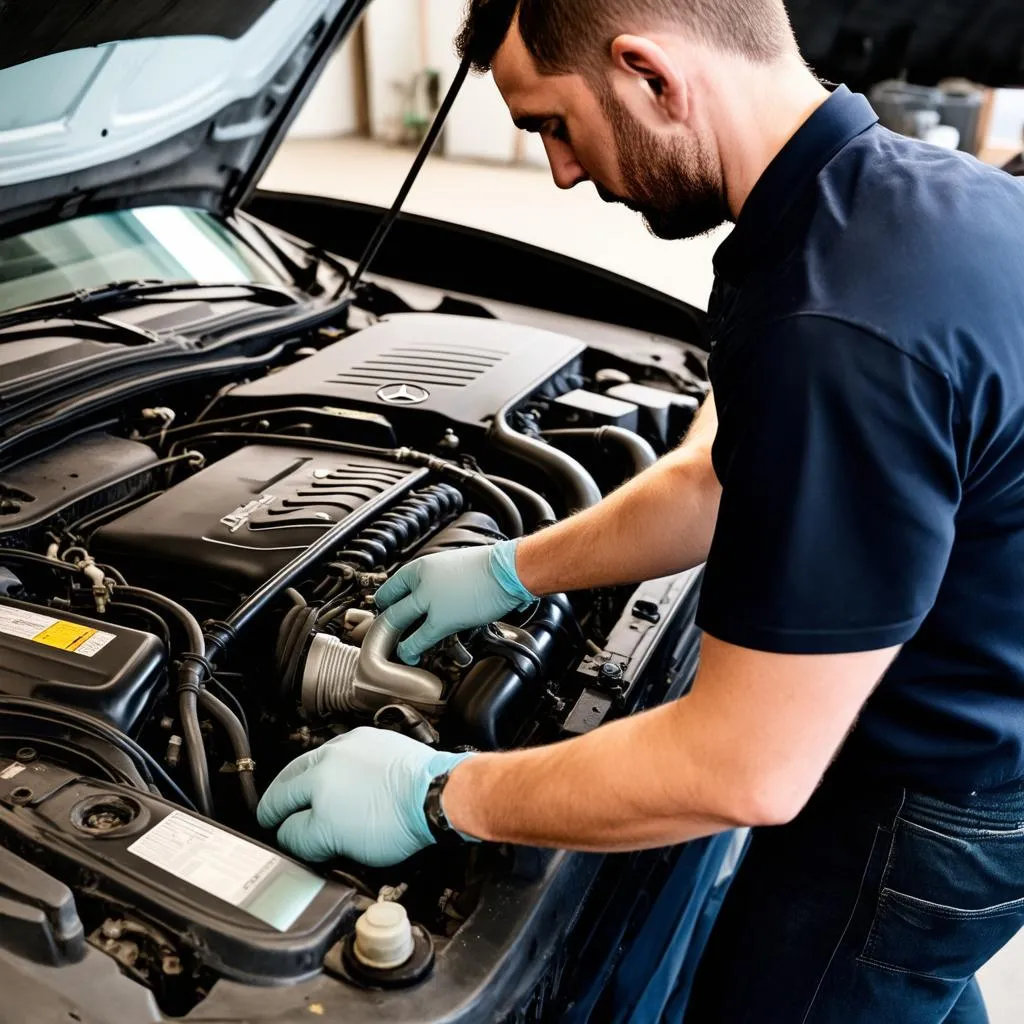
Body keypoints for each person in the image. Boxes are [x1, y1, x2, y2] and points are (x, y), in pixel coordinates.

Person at [257, 1, 1024, 1020]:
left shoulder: (834, 327)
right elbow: (714, 480)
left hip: (943, 795)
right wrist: (511, 568)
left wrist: (442, 793)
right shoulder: (881, 198)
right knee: (899, 985)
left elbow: (744, 767)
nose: (562, 172)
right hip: (953, 705)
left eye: (551, 125)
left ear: (650, 75)